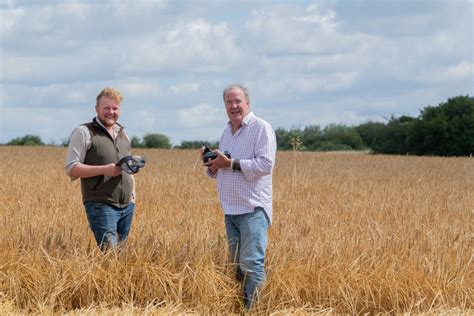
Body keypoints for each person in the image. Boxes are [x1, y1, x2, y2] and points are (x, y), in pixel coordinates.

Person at [200, 83, 276, 310]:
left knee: (251, 264)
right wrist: (212, 164)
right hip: (231, 209)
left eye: (237, 101)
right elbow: (221, 168)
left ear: (247, 103)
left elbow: (265, 165)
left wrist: (230, 163)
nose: (233, 106)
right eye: (228, 102)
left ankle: (252, 310)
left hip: (252, 209)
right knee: (238, 267)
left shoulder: (261, 128)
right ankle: (240, 308)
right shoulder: (227, 132)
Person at [65, 87, 136, 250]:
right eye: (106, 108)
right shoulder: (83, 132)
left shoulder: (123, 134)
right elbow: (71, 168)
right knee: (109, 254)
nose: (111, 112)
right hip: (101, 204)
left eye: (115, 108)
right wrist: (105, 169)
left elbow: (128, 168)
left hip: (127, 205)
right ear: (97, 108)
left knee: (121, 254)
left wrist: (133, 196)